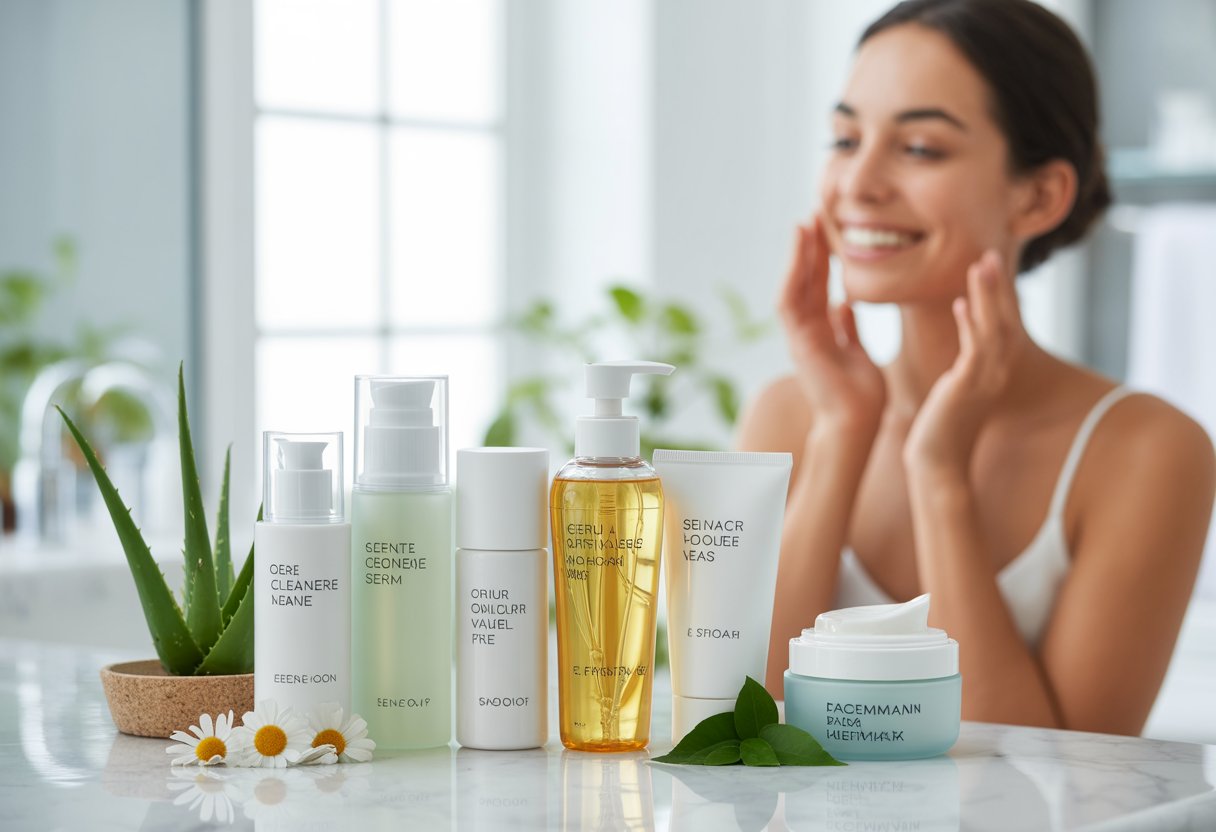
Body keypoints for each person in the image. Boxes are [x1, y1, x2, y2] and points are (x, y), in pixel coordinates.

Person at [737, 0, 1215, 735]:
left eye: (919, 148)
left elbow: (1066, 778)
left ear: (1040, 196)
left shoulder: (1146, 450)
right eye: (845, 138)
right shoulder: (790, 417)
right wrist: (841, 435)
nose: (858, 184)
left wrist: (940, 475)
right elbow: (741, 731)